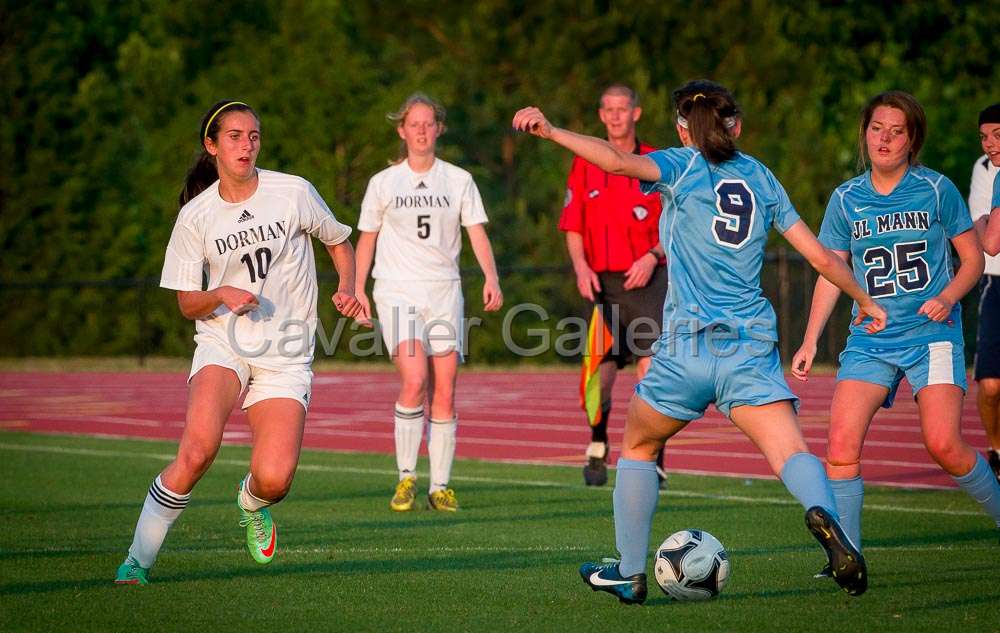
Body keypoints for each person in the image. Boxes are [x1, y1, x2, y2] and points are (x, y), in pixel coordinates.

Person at [513, 79, 886, 604]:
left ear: (681, 127)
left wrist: (551, 131)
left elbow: (616, 163)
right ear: (737, 125)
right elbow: (824, 259)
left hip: (687, 348)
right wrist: (867, 303)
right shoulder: (761, 177)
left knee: (639, 446)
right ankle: (830, 525)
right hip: (749, 348)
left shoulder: (682, 165)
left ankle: (629, 572)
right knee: (791, 451)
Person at [114, 100, 363, 585]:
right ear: (212, 146)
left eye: (253, 136)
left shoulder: (294, 192)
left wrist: (348, 287)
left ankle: (251, 503)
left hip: (286, 352)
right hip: (222, 343)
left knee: (275, 479)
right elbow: (188, 304)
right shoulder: (195, 217)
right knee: (197, 450)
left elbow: (338, 241)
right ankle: (137, 561)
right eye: (234, 136)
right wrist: (221, 294)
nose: (246, 145)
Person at [791, 91, 1000, 578]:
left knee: (944, 443)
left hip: (933, 334)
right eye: (876, 128)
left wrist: (948, 297)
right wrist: (809, 340)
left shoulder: (936, 189)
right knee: (840, 444)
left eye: (896, 130)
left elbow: (972, 261)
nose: (884, 138)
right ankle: (849, 558)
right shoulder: (846, 198)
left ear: (912, 140)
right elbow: (830, 271)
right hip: (870, 338)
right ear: (864, 134)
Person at [355, 93, 502, 513]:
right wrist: (357, 288)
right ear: (401, 130)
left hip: (443, 290)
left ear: (438, 128)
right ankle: (406, 478)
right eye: (413, 124)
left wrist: (491, 277)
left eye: (428, 123)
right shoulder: (383, 183)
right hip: (397, 289)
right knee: (416, 378)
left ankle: (440, 486)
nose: (421, 130)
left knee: (447, 388)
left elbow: (476, 233)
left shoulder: (457, 180)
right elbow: (366, 238)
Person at [559, 84, 668, 486]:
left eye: (623, 108)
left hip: (648, 279)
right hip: (602, 284)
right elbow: (572, 225)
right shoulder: (585, 161)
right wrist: (580, 267)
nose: (617, 115)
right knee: (600, 374)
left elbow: (675, 226)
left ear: (636, 113)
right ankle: (598, 443)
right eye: (609, 109)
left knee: (651, 370)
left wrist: (652, 255)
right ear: (602, 115)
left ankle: (654, 456)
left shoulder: (657, 161)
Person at [969, 103, 1000, 480]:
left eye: (997, 135)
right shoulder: (986, 171)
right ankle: (996, 449)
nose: (989, 143)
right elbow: (989, 243)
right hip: (996, 281)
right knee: (990, 384)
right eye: (984, 137)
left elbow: (989, 237)